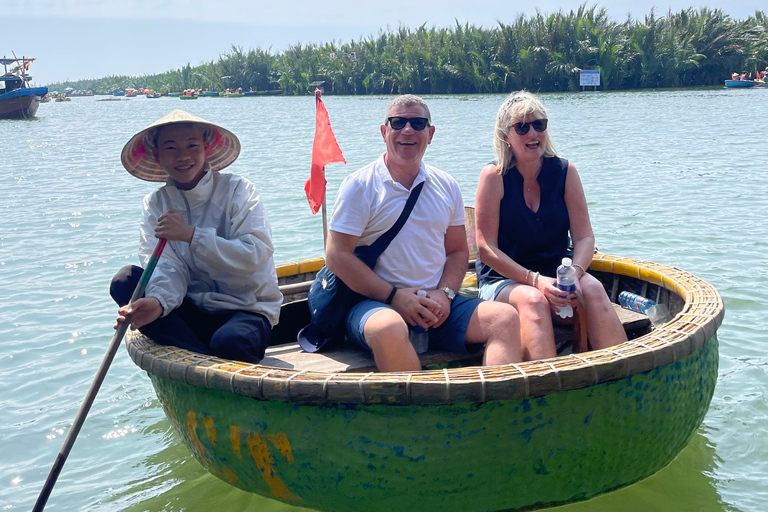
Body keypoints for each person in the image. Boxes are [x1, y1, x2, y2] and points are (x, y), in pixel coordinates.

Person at [324, 94, 525, 372]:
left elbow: (456, 252)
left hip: (436, 304)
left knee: (504, 318)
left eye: (417, 124)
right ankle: (417, 414)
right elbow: (337, 257)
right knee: (389, 327)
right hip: (374, 304)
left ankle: (496, 408)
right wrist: (395, 297)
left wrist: (444, 294)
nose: (408, 130)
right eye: (398, 122)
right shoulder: (359, 186)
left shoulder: (447, 185)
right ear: (384, 132)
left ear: (430, 134)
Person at [111, 109, 282, 363]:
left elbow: (254, 256)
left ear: (206, 148)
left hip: (245, 308)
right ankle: (206, 357)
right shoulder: (157, 203)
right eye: (171, 148)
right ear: (157, 155)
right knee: (125, 281)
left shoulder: (238, 190)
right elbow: (167, 268)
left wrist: (192, 235)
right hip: (190, 308)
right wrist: (159, 302)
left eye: (192, 145)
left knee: (230, 343)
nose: (183, 156)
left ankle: (199, 355)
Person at [474, 91, 626, 355]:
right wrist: (535, 281)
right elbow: (486, 249)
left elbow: (584, 238)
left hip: (558, 273)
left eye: (539, 125)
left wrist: (576, 274)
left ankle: (624, 376)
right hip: (504, 280)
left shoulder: (566, 172)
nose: (533, 134)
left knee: (593, 289)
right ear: (506, 136)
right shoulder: (494, 176)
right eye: (522, 127)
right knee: (533, 301)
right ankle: (544, 388)